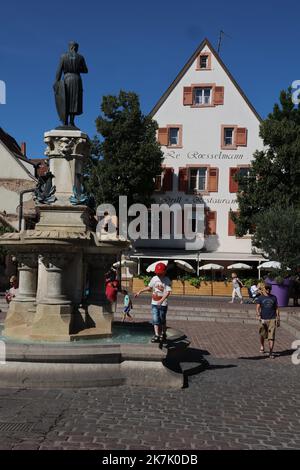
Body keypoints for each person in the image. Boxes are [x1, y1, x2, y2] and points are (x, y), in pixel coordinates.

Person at [134, 262, 172, 344]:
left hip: (163, 304)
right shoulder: (154, 278)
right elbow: (149, 287)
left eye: (160, 273)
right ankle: (156, 335)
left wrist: (161, 300)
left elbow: (168, 292)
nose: (159, 275)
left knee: (162, 320)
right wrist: (140, 291)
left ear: (164, 272)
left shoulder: (167, 280)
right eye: (157, 273)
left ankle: (163, 334)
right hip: (154, 303)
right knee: (155, 319)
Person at [256, 283, 280, 358]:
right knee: (262, 334)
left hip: (272, 319)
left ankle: (271, 352)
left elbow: (276, 308)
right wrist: (258, 315)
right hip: (263, 319)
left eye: (269, 289)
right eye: (267, 289)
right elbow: (257, 308)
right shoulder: (260, 298)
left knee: (271, 336)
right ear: (264, 289)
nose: (268, 290)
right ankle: (262, 345)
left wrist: (278, 317)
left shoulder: (274, 297)